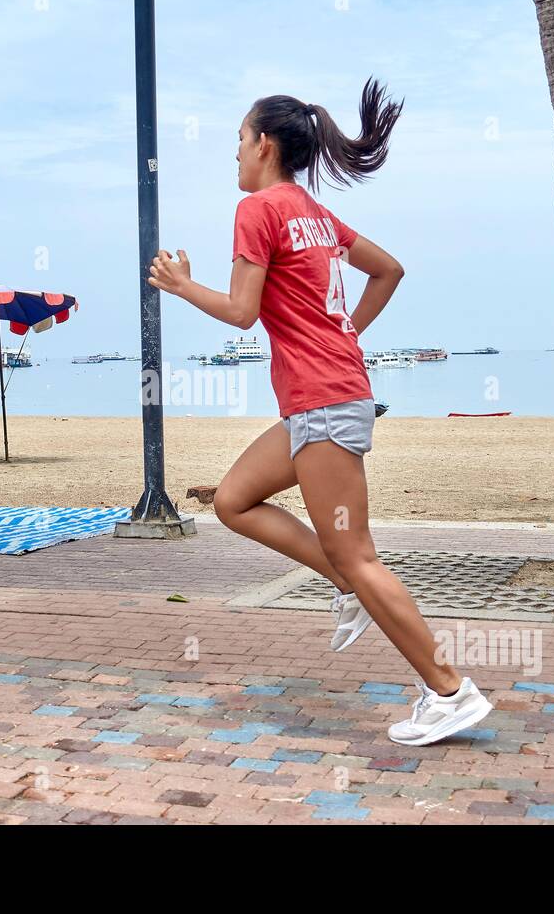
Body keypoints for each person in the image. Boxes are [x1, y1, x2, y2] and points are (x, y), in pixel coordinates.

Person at [146, 78, 492, 746]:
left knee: (360, 556)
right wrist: (348, 334)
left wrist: (183, 287)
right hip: (328, 396)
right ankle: (341, 580)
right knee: (235, 499)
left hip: (325, 402)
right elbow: (387, 270)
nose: (236, 157)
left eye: (239, 142)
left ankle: (449, 691)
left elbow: (243, 312)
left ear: (265, 144)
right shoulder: (313, 213)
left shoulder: (260, 210)